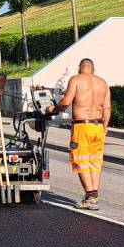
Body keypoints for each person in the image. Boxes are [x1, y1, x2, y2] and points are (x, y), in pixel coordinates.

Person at [46, 58, 111, 210]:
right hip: (98, 127)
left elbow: (65, 102)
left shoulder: (75, 80)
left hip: (82, 126)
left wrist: (52, 110)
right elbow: (107, 109)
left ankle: (89, 196)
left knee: (81, 161)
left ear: (79, 68)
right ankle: (93, 196)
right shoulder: (103, 83)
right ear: (93, 69)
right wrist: (105, 127)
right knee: (95, 162)